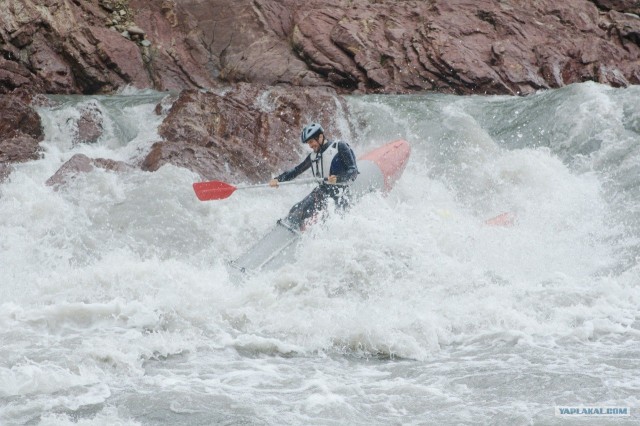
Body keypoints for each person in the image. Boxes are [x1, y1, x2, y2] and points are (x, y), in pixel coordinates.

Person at [269, 123, 358, 230]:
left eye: (311, 142)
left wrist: (338, 178)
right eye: (308, 143)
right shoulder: (313, 156)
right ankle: (294, 231)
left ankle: (302, 231)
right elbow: (296, 171)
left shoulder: (339, 147)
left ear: (320, 137)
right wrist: (278, 179)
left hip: (340, 193)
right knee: (296, 210)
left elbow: (353, 171)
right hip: (323, 191)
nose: (310, 146)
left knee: (329, 222)